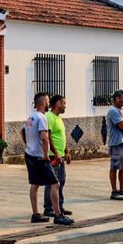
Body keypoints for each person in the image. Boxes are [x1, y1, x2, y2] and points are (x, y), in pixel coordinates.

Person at [22, 92, 74, 225]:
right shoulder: (42, 118)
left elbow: (23, 131)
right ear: (44, 103)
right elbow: (45, 138)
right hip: (40, 157)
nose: (48, 103)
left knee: (35, 184)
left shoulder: (30, 117)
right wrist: (46, 156)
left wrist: (27, 144)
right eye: (47, 101)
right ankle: (57, 215)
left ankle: (35, 214)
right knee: (55, 183)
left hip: (29, 154)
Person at [43, 94, 72, 217]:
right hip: (52, 156)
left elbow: (61, 137)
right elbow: (48, 137)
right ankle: (49, 208)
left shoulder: (58, 118)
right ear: (58, 104)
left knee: (61, 181)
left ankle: (59, 205)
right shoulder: (49, 117)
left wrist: (66, 152)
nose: (65, 106)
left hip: (60, 156)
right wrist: (55, 153)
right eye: (64, 103)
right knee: (52, 182)